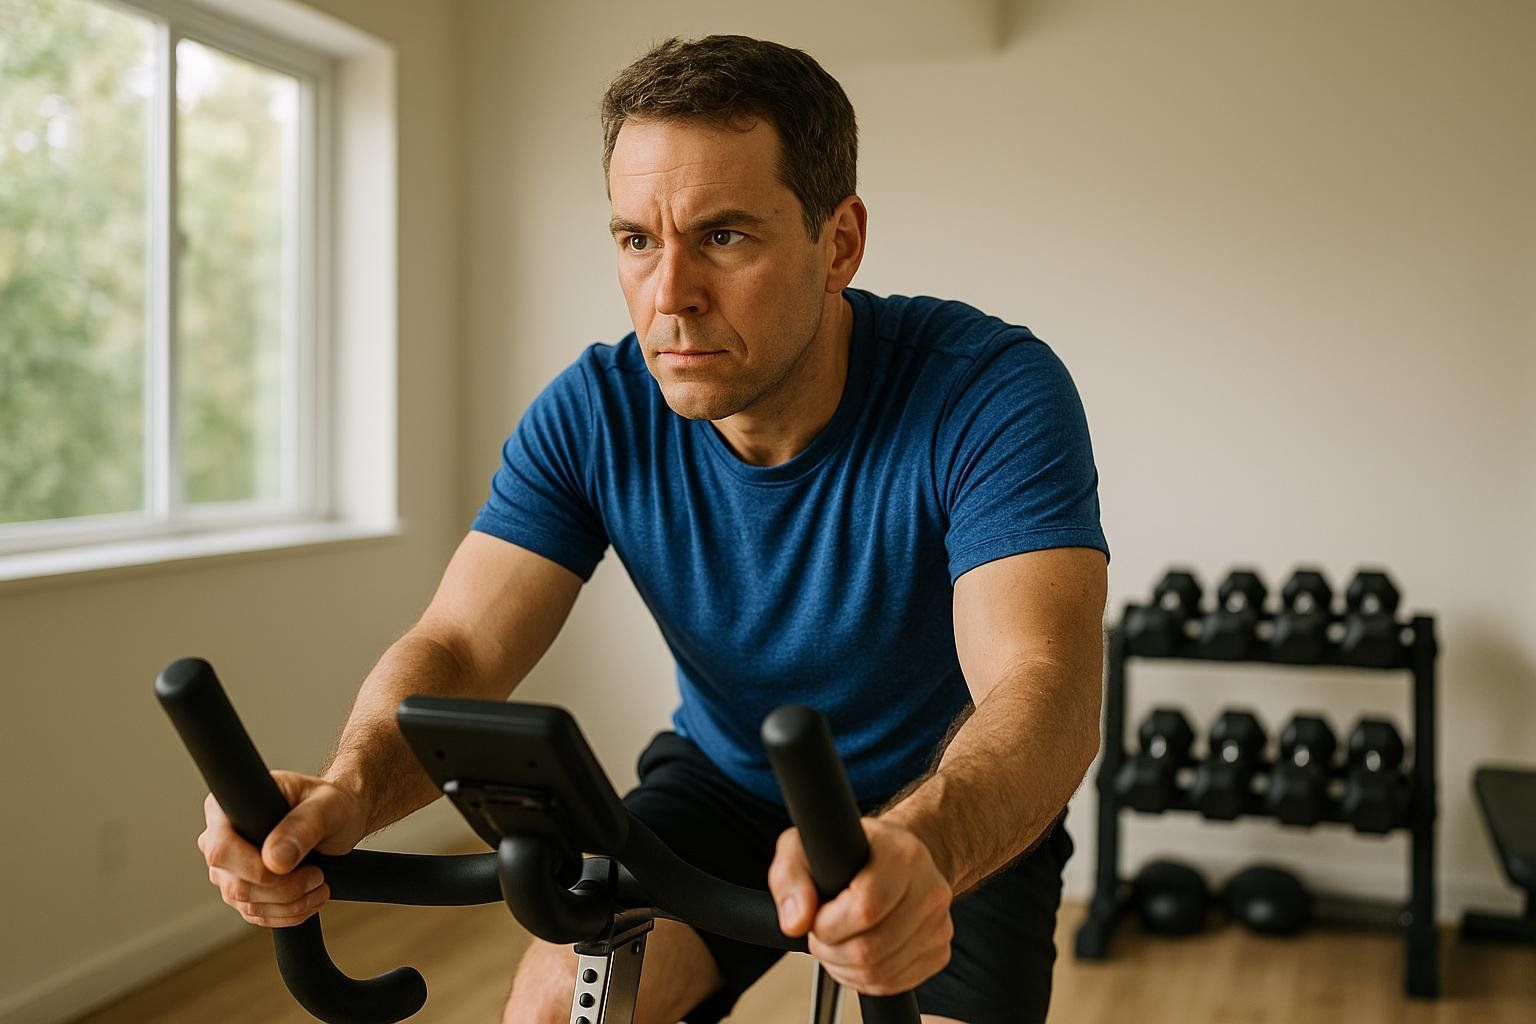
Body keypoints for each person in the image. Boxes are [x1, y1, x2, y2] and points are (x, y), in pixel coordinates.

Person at [197, 34, 1109, 1024]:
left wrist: (927, 843)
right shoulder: (595, 411)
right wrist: (350, 791)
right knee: (554, 1007)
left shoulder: (988, 392)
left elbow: (1042, 689)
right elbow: (460, 641)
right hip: (727, 784)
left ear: (838, 241)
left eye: (723, 236)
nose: (669, 294)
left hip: (943, 800)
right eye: (637, 239)